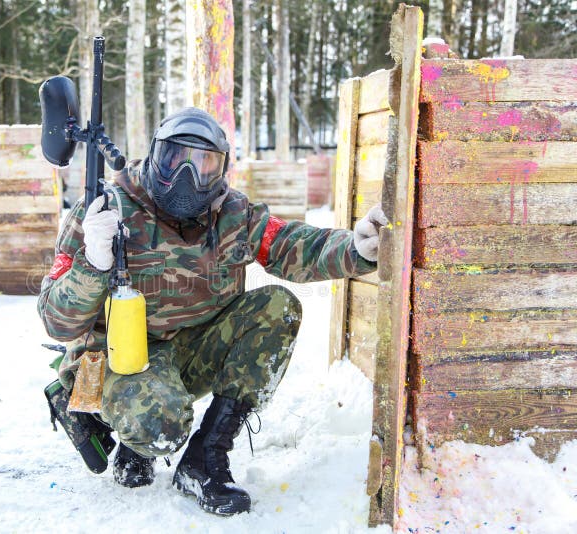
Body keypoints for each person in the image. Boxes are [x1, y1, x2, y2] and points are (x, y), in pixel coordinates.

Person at [37, 108, 387, 515]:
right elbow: (56, 321)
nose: (186, 175)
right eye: (174, 159)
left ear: (221, 170)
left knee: (277, 307)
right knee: (159, 430)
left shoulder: (233, 215)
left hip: (191, 353)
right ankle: (107, 418)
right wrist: (91, 264)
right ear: (154, 156)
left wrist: (356, 248)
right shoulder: (103, 212)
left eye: (203, 163)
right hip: (119, 358)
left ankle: (205, 456)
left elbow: (293, 246)